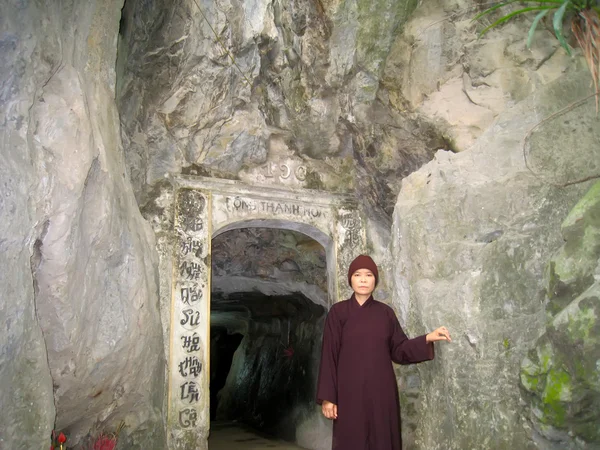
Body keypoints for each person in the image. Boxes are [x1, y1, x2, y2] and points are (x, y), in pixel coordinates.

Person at [316, 255, 451, 450]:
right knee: (350, 439)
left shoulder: (385, 313)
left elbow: (399, 350)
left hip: (381, 392)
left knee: (382, 438)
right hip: (349, 393)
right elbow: (329, 355)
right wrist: (328, 397)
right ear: (350, 279)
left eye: (369, 275)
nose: (363, 279)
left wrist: (427, 338)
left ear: (375, 280)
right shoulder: (338, 313)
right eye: (357, 274)